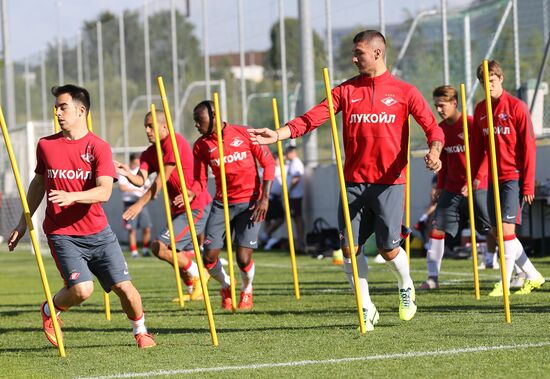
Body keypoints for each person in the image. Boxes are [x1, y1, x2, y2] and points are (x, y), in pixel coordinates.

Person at [249, 30, 444, 331]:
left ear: (378, 53)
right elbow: (310, 119)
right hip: (352, 183)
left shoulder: (405, 92)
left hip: (390, 183)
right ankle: (366, 308)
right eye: (353, 53)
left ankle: (406, 285)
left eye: (359, 53)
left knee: (387, 249)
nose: (353, 59)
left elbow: (433, 128)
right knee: (350, 251)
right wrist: (278, 134)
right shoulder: (345, 91)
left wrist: (434, 151)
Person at [7, 84, 155, 348]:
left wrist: (72, 196)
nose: (58, 113)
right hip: (62, 233)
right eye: (56, 108)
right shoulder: (46, 146)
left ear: (81, 110)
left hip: (99, 232)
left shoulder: (99, 147)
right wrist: (22, 221)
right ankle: (49, 311)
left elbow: (105, 191)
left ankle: (141, 332)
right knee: (82, 289)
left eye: (63, 107)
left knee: (125, 289)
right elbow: (38, 184)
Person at [114, 110, 212, 302]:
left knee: (160, 246)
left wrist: (139, 205)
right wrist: (127, 173)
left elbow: (160, 180)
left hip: (195, 205)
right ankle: (193, 286)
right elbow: (140, 179)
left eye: (151, 126)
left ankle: (201, 275)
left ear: (164, 126)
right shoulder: (148, 153)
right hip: (178, 209)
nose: (147, 130)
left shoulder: (174, 142)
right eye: (145, 126)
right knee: (168, 251)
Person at [190, 100, 275, 310]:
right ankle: (227, 285)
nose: (196, 125)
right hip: (222, 203)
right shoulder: (201, 145)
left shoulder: (245, 133)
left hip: (252, 203)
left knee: (243, 257)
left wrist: (264, 198)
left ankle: (247, 289)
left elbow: (268, 163)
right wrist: (190, 193)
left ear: (215, 117)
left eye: (199, 121)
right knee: (208, 256)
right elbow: (199, 181)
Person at [472, 60, 545, 296]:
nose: (489, 86)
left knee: (505, 231)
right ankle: (533, 275)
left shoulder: (517, 107)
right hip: (493, 179)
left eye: (492, 81)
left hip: (513, 177)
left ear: (500, 79)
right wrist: (477, 176)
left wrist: (527, 183)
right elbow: (481, 149)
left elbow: (529, 147)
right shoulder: (481, 109)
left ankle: (504, 281)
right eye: (484, 83)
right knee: (498, 231)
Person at [419, 85, 491, 290]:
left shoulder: (471, 124)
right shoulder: (440, 130)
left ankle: (518, 269)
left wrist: (476, 178)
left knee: (493, 229)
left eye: (442, 105)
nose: (439, 110)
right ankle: (432, 278)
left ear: (454, 103)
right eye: (436, 106)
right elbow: (444, 161)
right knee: (437, 227)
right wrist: (440, 186)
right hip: (452, 188)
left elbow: (488, 154)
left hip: (477, 186)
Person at [118, 153, 152, 258]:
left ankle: (145, 250)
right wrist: (137, 189)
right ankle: (134, 252)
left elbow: (148, 186)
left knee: (147, 227)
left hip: (141, 203)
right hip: (130, 204)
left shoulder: (142, 173)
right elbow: (122, 188)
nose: (137, 165)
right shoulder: (125, 173)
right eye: (136, 162)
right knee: (132, 229)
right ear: (132, 161)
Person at [261, 152, 284, 250]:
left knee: (278, 218)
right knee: (271, 219)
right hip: (271, 197)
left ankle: (266, 236)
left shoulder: (283, 168)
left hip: (276, 197)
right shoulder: (272, 168)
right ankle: (266, 237)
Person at [284, 145, 306, 251]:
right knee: (296, 218)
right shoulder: (292, 163)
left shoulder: (296, 163)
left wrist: (288, 191)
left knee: (298, 218)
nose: (286, 154)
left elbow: (296, 179)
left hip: (295, 195)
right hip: (293, 195)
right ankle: (299, 241)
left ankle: (300, 242)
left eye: (288, 152)